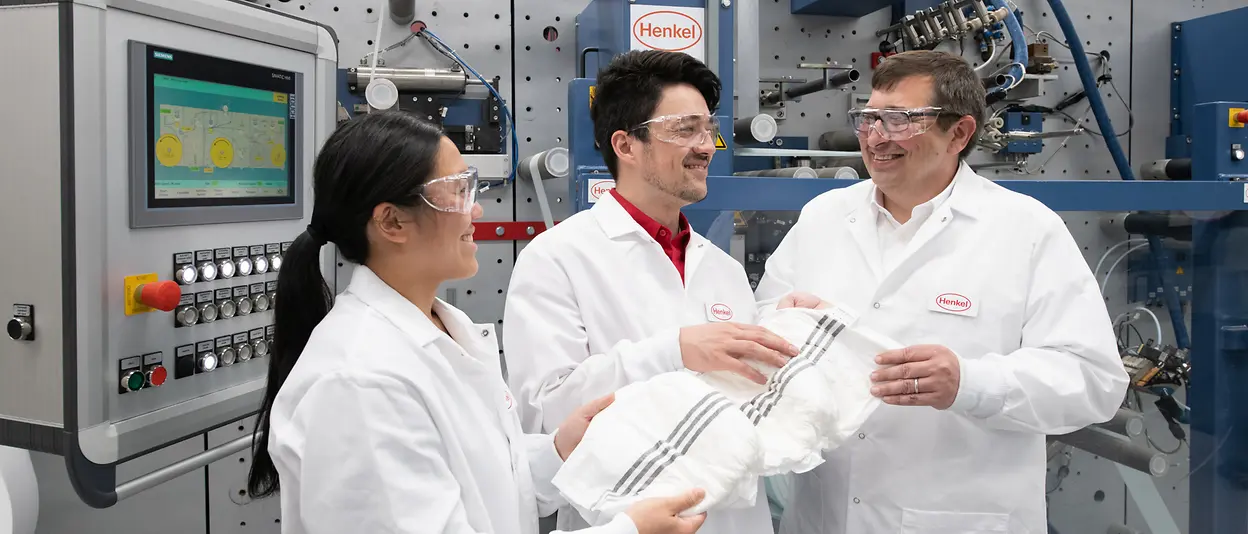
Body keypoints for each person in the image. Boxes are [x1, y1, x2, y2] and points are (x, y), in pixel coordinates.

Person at [244, 111, 710, 534]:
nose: (478, 210)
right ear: (391, 222)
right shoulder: (360, 381)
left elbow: (482, 477)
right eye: (458, 191)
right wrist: (628, 532)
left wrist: (558, 451)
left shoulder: (448, 328)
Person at [754, 50, 1130, 533]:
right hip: (826, 516)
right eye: (868, 118)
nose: (875, 137)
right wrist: (792, 327)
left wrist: (968, 383)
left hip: (958, 517)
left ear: (959, 133)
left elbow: (1094, 381)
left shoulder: (1026, 230)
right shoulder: (824, 217)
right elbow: (761, 327)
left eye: (900, 120)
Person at [502, 50, 796, 534]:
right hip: (623, 519)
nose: (706, 146)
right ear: (626, 145)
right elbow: (545, 417)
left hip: (736, 519)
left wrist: (793, 335)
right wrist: (674, 352)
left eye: (708, 129)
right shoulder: (557, 257)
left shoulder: (719, 267)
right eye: (685, 129)